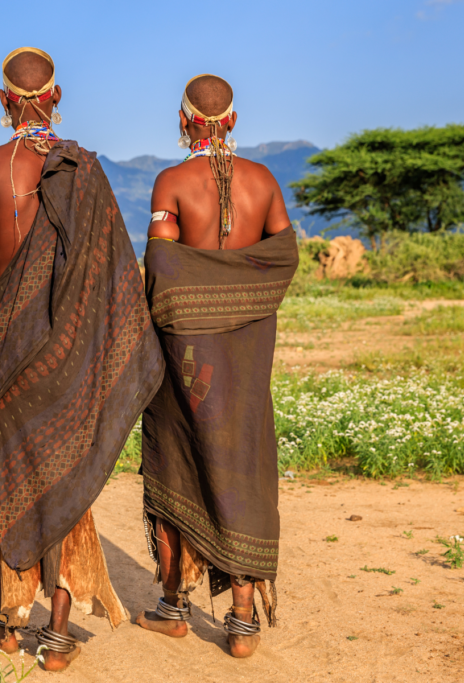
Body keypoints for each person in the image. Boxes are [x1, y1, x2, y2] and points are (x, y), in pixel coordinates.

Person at [0, 46, 164, 672]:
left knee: (8, 481)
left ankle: (8, 623)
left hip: (2, 354)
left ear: (3, 102)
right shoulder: (85, 171)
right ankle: (60, 632)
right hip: (68, 353)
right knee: (67, 480)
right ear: (57, 98)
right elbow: (112, 277)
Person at [136, 74, 299, 659]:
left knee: (178, 458)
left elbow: (162, 266)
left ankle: (174, 606)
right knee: (245, 464)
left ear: (185, 121)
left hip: (187, 357)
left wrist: (196, 302)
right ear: (232, 121)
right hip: (250, 355)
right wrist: (240, 294)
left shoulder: (172, 182)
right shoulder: (264, 181)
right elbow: (284, 254)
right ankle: (243, 620)